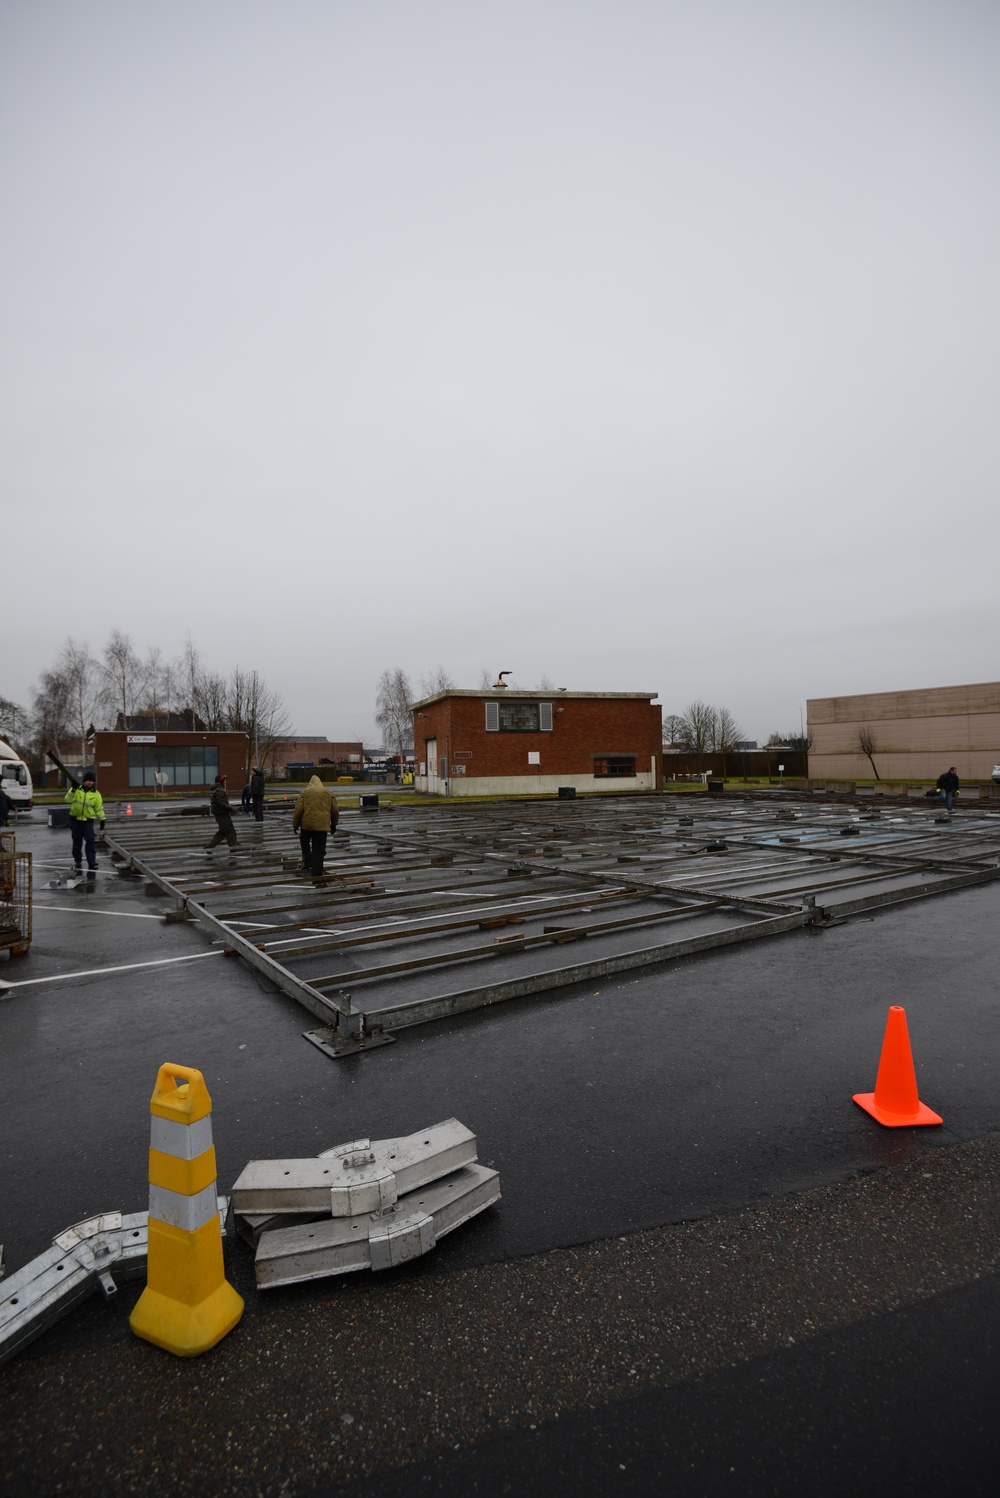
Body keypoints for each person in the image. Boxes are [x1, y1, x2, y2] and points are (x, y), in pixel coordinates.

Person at [292, 774, 339, 879]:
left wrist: (295, 824)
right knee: (318, 851)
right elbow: (335, 810)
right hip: (322, 826)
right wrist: (334, 824)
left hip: (306, 825)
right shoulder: (328, 792)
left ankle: (307, 861)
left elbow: (298, 810)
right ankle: (317, 877)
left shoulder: (305, 792)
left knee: (304, 841)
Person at [65, 769, 105, 876]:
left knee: (90, 842)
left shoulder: (96, 794)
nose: (90, 783)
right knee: (77, 842)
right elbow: (67, 800)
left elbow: (99, 808)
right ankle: (78, 861)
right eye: (88, 781)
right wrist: (73, 790)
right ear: (84, 781)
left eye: (92, 781)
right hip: (75, 821)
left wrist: (102, 819)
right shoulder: (76, 790)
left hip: (88, 822)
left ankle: (91, 861)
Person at [206, 774, 238, 856]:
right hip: (222, 814)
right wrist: (231, 808)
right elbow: (221, 803)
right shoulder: (219, 791)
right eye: (224, 780)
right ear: (221, 781)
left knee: (222, 833)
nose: (225, 782)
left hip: (221, 814)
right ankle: (234, 848)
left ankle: (209, 847)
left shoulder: (218, 790)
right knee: (230, 832)